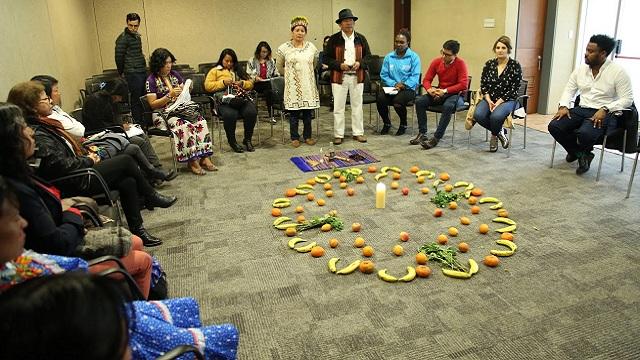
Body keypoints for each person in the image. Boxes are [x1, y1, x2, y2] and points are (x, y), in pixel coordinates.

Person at [7, 82, 177, 246]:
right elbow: (61, 166)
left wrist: (87, 155)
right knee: (126, 160)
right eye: (45, 99)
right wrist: (89, 159)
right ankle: (150, 195)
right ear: (31, 106)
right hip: (75, 179)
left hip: (78, 170)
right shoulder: (39, 132)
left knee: (128, 181)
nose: (50, 100)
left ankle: (138, 229)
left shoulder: (45, 124)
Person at [549, 34, 633, 174]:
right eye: (587, 50)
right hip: (582, 109)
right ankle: (581, 154)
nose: (586, 54)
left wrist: (606, 108)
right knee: (555, 126)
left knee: (585, 133)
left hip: (606, 113)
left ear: (603, 54)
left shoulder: (618, 72)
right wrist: (564, 106)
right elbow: (569, 90)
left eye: (591, 51)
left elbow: (627, 99)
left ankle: (579, 153)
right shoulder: (580, 70)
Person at [83, 79, 176, 183]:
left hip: (109, 131)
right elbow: (98, 125)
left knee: (143, 136)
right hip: (98, 135)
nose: (119, 100)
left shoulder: (107, 99)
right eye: (120, 97)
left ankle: (157, 169)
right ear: (115, 94)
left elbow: (108, 121)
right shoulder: (95, 101)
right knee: (138, 141)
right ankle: (153, 172)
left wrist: (121, 126)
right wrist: (120, 127)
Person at [145, 48, 216, 174]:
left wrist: (188, 89)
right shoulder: (151, 80)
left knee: (200, 121)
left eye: (170, 62)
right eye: (166, 63)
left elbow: (184, 92)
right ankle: (192, 161)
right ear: (158, 64)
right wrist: (169, 95)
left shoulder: (174, 75)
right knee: (184, 126)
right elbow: (152, 105)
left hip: (180, 109)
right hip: (163, 113)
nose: (169, 65)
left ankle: (204, 157)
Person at [324, 8, 371, 145]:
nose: (349, 23)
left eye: (351, 20)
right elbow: (326, 58)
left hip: (357, 76)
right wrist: (339, 65)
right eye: (345, 21)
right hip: (339, 77)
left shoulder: (361, 38)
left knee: (357, 106)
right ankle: (339, 134)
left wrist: (360, 63)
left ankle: (358, 133)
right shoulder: (334, 39)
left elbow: (369, 57)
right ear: (340, 24)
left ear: (354, 22)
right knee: (339, 107)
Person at [413, 39, 469, 149]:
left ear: (455, 55)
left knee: (448, 106)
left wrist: (445, 91)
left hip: (456, 95)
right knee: (420, 101)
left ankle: (436, 138)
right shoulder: (437, 62)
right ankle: (422, 133)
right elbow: (427, 79)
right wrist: (429, 89)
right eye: (442, 52)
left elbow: (463, 85)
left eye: (447, 55)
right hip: (439, 92)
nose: (444, 56)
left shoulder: (461, 64)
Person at [275, 16, 321, 148]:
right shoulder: (284, 48)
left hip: (307, 86)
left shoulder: (311, 47)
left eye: (302, 30)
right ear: (292, 32)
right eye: (297, 30)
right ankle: (294, 137)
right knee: (294, 114)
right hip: (293, 87)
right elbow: (279, 66)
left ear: (305, 32)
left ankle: (307, 136)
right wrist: (290, 76)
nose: (300, 33)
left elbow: (314, 64)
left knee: (307, 114)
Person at [473, 35, 523, 152]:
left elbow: (514, 89)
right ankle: (500, 131)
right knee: (478, 115)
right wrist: (489, 100)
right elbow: (484, 84)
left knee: (495, 116)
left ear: (508, 50)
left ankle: (494, 136)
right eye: (498, 47)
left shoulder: (515, 66)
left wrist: (499, 102)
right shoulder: (489, 64)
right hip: (490, 98)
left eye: (503, 48)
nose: (500, 50)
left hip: (509, 100)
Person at [205, 48, 258, 153]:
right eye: (226, 61)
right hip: (225, 101)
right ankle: (232, 141)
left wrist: (242, 83)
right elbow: (207, 86)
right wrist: (223, 83)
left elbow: (250, 84)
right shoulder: (215, 71)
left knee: (251, 112)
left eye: (231, 61)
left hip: (240, 98)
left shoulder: (238, 70)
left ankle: (247, 139)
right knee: (230, 115)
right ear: (222, 60)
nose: (229, 63)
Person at [376, 29, 421, 134]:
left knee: (398, 101)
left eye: (402, 42)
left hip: (408, 89)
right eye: (397, 42)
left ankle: (403, 123)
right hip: (393, 87)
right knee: (380, 99)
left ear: (408, 42)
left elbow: (415, 76)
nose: (399, 44)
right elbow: (384, 75)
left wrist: (403, 85)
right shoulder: (389, 57)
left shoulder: (414, 57)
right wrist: (394, 84)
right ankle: (387, 123)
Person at [115, 12, 147, 126]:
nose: (133, 28)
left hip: (141, 70)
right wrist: (121, 72)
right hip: (132, 72)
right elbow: (118, 57)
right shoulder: (122, 38)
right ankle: (138, 124)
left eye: (135, 25)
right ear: (127, 23)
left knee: (143, 98)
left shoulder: (137, 36)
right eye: (130, 25)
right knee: (136, 100)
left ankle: (144, 122)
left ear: (139, 24)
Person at [247, 41, 280, 124]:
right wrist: (255, 77)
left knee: (269, 91)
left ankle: (271, 115)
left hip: (267, 83)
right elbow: (248, 74)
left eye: (266, 52)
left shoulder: (271, 61)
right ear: (259, 51)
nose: (264, 54)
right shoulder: (252, 61)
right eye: (263, 52)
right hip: (256, 84)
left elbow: (276, 72)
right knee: (268, 88)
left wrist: (276, 76)